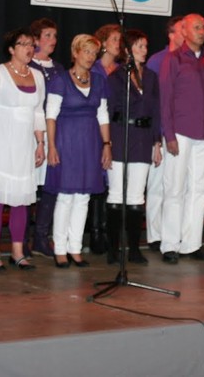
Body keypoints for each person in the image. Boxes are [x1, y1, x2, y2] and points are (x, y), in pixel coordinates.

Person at [158, 14, 204, 262]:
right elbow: (165, 98)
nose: (202, 31)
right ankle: (170, 245)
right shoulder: (173, 59)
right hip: (180, 132)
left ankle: (192, 244)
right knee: (174, 189)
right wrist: (169, 134)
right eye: (196, 27)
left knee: (199, 190)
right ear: (184, 31)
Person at [45, 34, 112, 268]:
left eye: (94, 53)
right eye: (86, 52)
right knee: (65, 197)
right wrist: (51, 146)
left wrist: (107, 145)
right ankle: (60, 248)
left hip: (91, 143)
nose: (91, 57)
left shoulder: (99, 81)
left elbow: (103, 115)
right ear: (75, 53)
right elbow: (50, 116)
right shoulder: (60, 80)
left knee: (83, 198)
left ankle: (75, 248)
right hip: (66, 142)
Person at [0, 29, 46, 271]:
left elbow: (38, 112)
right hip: (1, 144)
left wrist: (40, 143)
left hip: (25, 146)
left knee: (22, 200)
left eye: (31, 44)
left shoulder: (37, 76)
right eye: (23, 44)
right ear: (11, 49)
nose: (29, 49)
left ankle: (18, 252)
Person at [105, 29, 161, 265]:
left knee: (137, 196)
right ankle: (113, 249)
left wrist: (157, 142)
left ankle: (135, 249)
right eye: (139, 46)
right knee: (117, 194)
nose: (144, 50)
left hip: (143, 138)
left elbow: (156, 111)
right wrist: (107, 143)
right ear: (127, 50)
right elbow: (108, 111)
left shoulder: (152, 77)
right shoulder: (115, 77)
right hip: (120, 135)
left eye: (145, 46)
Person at [144, 16, 185, 253]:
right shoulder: (157, 60)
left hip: (184, 133)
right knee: (157, 185)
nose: (186, 34)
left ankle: (174, 233)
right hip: (160, 131)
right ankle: (155, 235)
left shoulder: (190, 60)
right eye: (182, 30)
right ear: (171, 34)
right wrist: (156, 136)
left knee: (178, 186)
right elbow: (151, 99)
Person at [87, 23, 122, 255]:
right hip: (96, 129)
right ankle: (96, 234)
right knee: (98, 182)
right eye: (114, 39)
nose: (119, 44)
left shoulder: (122, 70)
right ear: (103, 43)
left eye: (120, 40)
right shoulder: (94, 69)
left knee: (114, 184)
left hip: (117, 129)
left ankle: (111, 234)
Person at [28, 17, 62, 258]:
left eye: (54, 36)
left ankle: (41, 237)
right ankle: (24, 237)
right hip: (31, 132)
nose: (53, 40)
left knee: (50, 186)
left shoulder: (58, 69)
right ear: (36, 39)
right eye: (47, 35)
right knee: (29, 186)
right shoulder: (27, 65)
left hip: (54, 133)